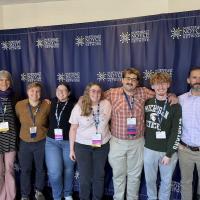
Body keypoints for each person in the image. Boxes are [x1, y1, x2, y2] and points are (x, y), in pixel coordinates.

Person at [104, 67, 155, 200]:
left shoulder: (144, 92)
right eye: (128, 78)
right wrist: (82, 99)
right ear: (122, 80)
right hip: (117, 142)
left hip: (137, 142)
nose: (130, 81)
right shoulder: (112, 93)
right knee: (118, 174)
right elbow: (93, 97)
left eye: (134, 79)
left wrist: (172, 96)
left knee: (135, 176)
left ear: (137, 82)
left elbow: (161, 95)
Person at [69, 82, 111, 200]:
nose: (96, 93)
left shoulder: (106, 104)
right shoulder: (79, 106)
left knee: (99, 175)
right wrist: (71, 149)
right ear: (87, 92)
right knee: (85, 177)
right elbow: (73, 129)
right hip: (83, 146)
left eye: (98, 91)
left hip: (102, 146)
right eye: (93, 91)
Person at [144, 72, 182, 200]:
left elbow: (176, 131)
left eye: (164, 83)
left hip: (167, 151)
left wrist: (169, 153)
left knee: (166, 182)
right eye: (157, 84)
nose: (160, 87)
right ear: (152, 86)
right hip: (149, 149)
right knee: (150, 181)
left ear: (168, 85)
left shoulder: (175, 105)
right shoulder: (147, 102)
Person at [15, 82, 51, 200]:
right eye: (32, 91)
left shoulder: (47, 105)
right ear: (27, 92)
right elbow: (16, 121)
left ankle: (39, 192)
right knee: (25, 169)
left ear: (41, 93)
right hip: (24, 142)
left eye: (37, 91)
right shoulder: (19, 105)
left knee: (40, 168)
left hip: (41, 141)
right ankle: (25, 195)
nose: (34, 94)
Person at [45, 83, 76, 200]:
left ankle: (68, 194)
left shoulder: (74, 103)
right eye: (58, 89)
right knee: (54, 172)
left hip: (69, 142)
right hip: (52, 142)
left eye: (64, 90)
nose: (61, 92)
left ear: (69, 93)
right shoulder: (51, 102)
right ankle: (57, 196)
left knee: (69, 169)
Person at [178, 67, 200, 200]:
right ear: (188, 80)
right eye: (194, 77)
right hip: (185, 150)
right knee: (185, 183)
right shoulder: (180, 100)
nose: (198, 80)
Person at [0, 70, 17, 200]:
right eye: (1, 80)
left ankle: (10, 197)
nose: (4, 82)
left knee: (9, 171)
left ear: (10, 82)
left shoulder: (15, 97)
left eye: (6, 80)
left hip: (11, 139)